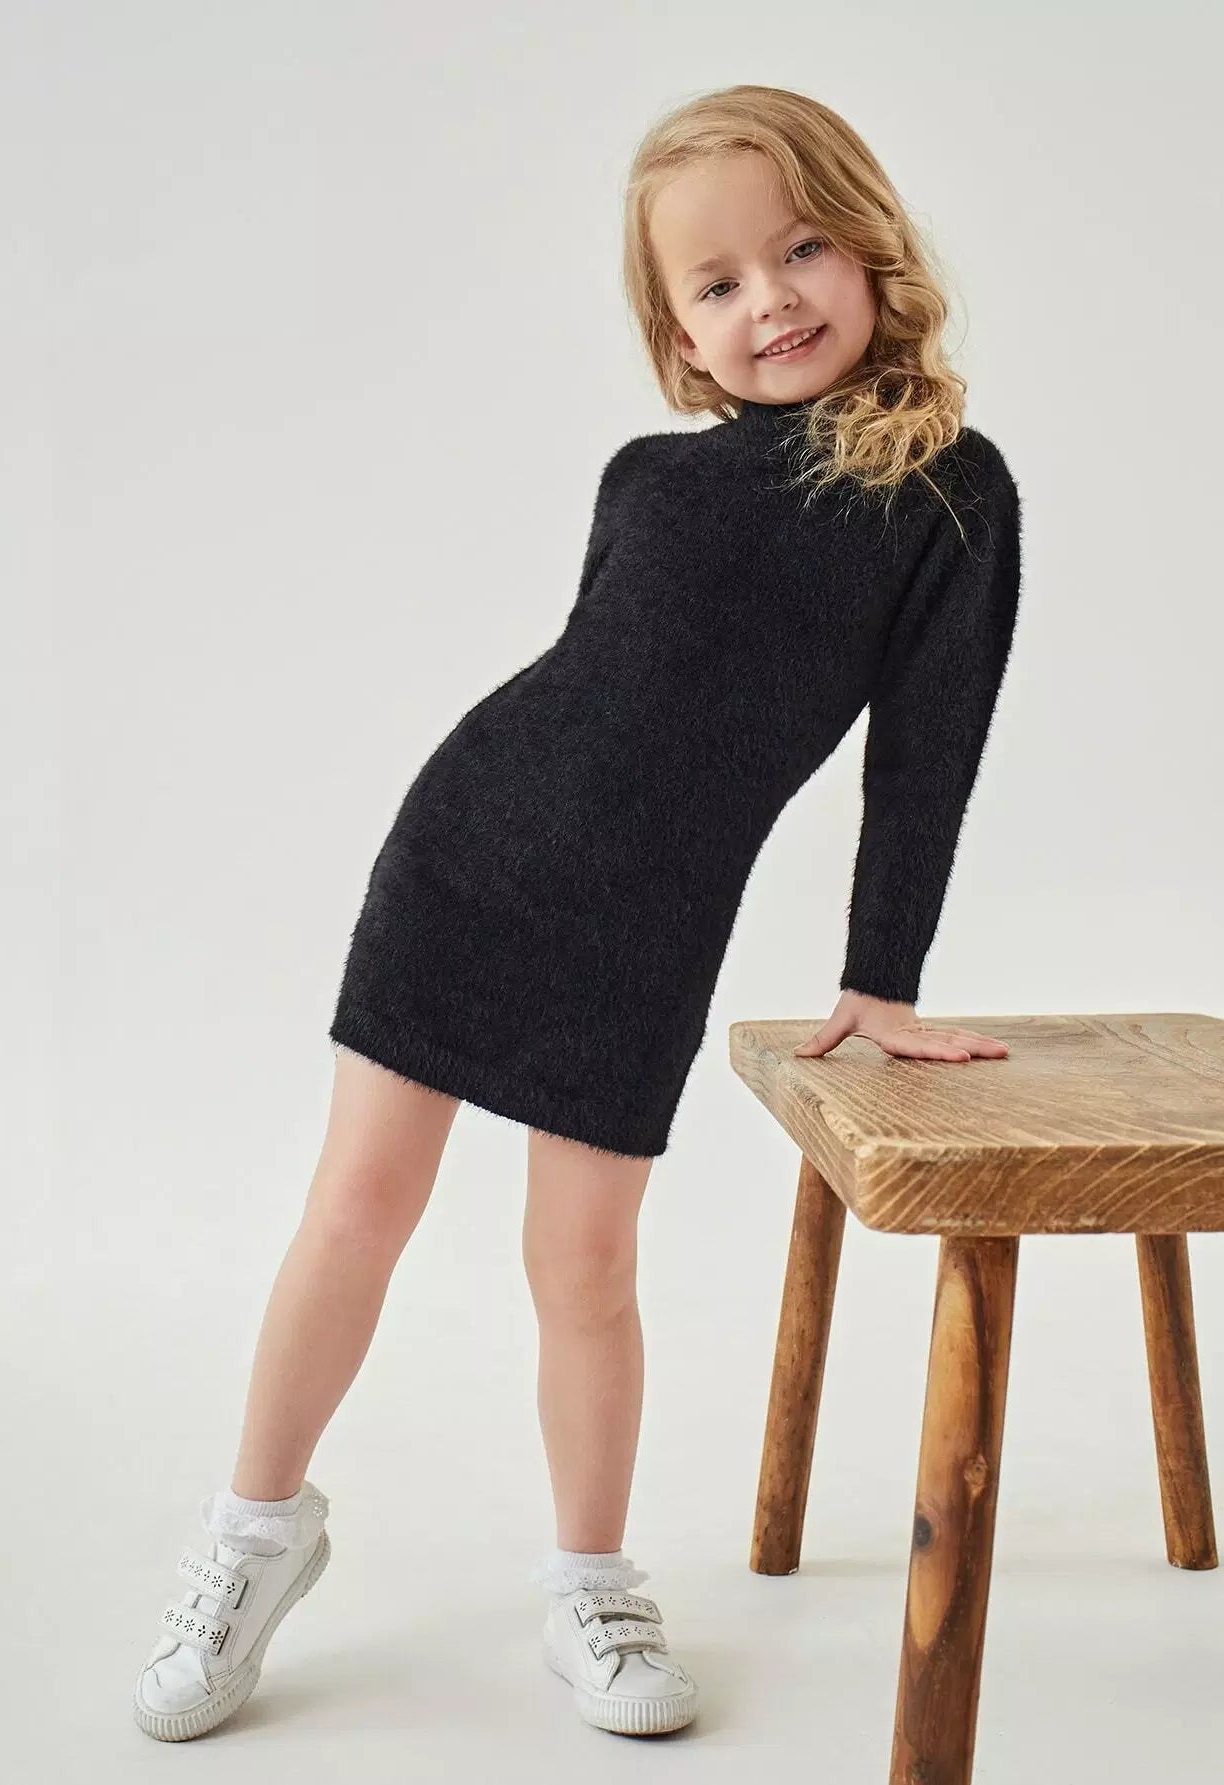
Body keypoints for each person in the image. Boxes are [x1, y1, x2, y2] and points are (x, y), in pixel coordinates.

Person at [132, 82, 1024, 1743]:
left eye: (801, 249)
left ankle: (592, 1584)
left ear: (870, 244)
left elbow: (929, 747)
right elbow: (601, 695)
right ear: (680, 336)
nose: (771, 300)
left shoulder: (948, 490)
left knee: (586, 1262)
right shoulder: (644, 475)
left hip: (645, 923)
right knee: (355, 1206)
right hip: (465, 853)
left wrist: (881, 973)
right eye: (718, 282)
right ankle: (250, 1537)